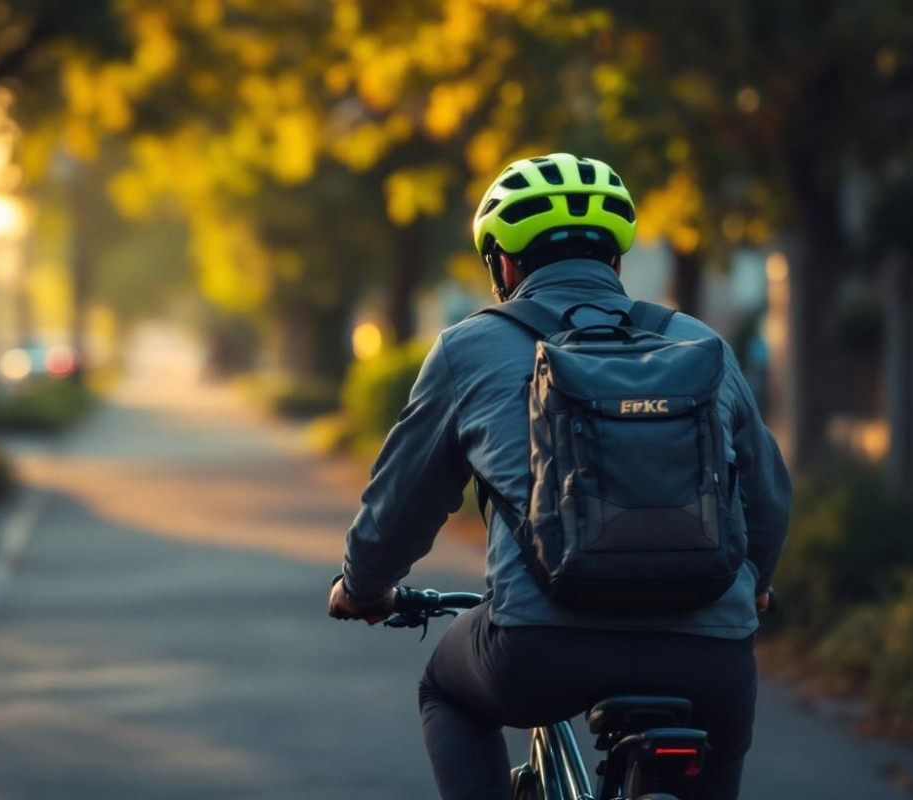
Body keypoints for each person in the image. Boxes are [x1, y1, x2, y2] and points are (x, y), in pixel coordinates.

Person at [327, 153, 791, 800]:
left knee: (446, 690)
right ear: (617, 261)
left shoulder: (470, 347)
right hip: (710, 654)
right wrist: (758, 585)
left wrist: (365, 586)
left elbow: (403, 502)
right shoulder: (700, 343)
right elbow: (767, 495)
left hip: (539, 650)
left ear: (505, 265)